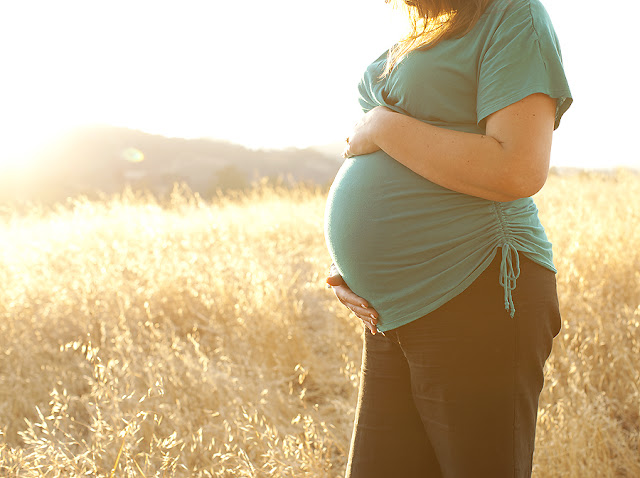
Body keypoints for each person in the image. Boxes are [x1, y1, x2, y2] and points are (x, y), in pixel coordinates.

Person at [323, 0, 572, 476]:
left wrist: (381, 123)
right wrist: (352, 266)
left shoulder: (514, 15)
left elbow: (516, 168)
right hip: (390, 312)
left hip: (477, 287)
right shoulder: (424, 30)